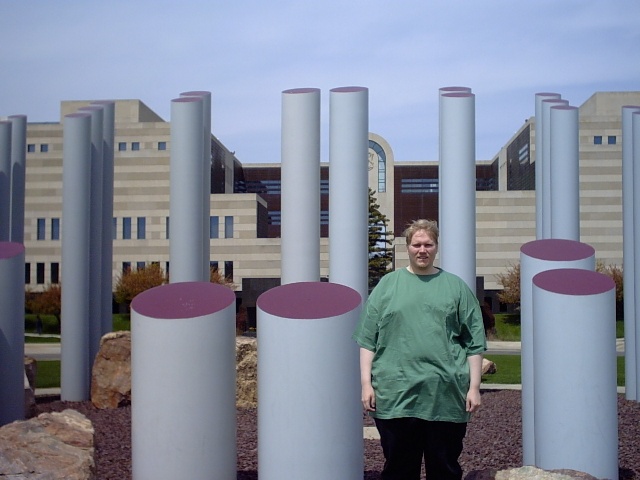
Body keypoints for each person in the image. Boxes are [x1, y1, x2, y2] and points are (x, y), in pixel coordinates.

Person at [353, 219, 486, 480]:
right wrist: (366, 384)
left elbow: (474, 342)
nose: (422, 250)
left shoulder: (456, 287)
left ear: (436, 247)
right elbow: (368, 339)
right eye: (416, 244)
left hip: (445, 395)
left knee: (444, 468)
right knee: (399, 468)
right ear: (407, 247)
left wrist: (474, 387)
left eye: (428, 244)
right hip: (395, 394)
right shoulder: (387, 286)